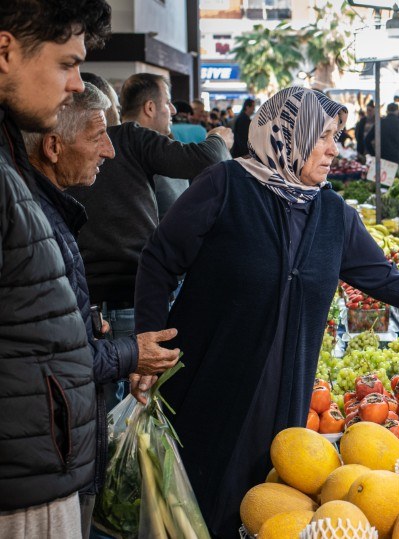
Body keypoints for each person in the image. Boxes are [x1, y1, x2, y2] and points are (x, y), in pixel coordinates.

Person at [133, 87, 399, 537]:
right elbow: (158, 259)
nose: (335, 149)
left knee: (270, 507)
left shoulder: (332, 213)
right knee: (197, 507)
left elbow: (386, 279)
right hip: (209, 384)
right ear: (287, 136)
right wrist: (148, 343)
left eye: (336, 136)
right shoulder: (225, 186)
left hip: (284, 396)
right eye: (324, 136)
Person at [22, 83, 182, 537]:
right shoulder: (34, 221)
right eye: (97, 136)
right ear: (53, 146)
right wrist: (128, 354)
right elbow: (53, 357)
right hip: (45, 460)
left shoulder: (51, 211)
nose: (110, 151)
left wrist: (91, 330)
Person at [0, 0, 110, 534]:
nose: (75, 83)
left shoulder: (9, 162)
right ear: (5, 51)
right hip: (21, 490)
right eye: (67, 63)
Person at [68, 73, 232, 346]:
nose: (106, 149)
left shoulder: (56, 155)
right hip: (133, 301)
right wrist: (218, 139)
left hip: (86, 306)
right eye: (113, 110)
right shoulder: (128, 138)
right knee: (144, 386)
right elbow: (206, 159)